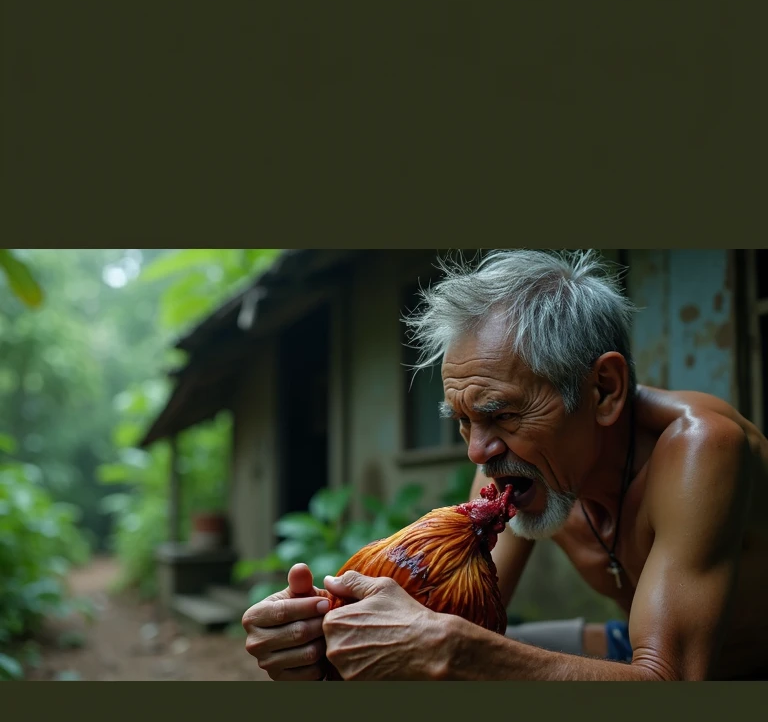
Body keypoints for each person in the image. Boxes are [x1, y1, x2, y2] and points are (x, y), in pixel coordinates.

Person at [243, 250, 768, 681]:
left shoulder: (701, 449)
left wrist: (456, 651)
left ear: (603, 391)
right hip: (622, 650)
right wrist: (318, 638)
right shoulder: (520, 469)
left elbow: (669, 683)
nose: (478, 451)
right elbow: (436, 628)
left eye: (501, 415)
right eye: (464, 421)